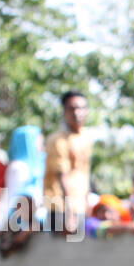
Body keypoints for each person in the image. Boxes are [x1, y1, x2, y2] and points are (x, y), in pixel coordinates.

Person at [44, 90, 93, 236]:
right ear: (64, 112)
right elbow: (62, 178)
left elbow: (84, 175)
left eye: (81, 108)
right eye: (72, 108)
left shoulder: (86, 137)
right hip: (61, 209)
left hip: (80, 207)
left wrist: (88, 203)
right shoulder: (57, 140)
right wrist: (69, 214)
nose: (77, 113)